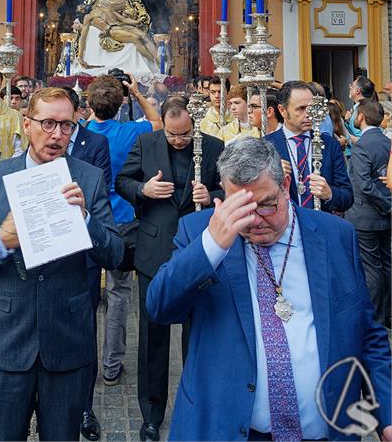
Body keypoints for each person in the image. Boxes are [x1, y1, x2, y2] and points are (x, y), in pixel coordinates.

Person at [146, 137, 392, 442]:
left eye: (266, 204)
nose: (256, 220)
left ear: (286, 185)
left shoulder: (335, 236)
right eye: (243, 208)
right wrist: (212, 246)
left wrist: (387, 415)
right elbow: (160, 307)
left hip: (326, 432)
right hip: (229, 431)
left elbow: (368, 334)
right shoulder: (199, 232)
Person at [0, 88, 124, 442]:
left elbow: (116, 254)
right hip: (7, 341)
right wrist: (1, 239)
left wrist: (87, 221)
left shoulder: (88, 178)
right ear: (26, 125)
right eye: (48, 123)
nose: (57, 134)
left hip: (67, 341)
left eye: (66, 125)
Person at [116, 95, 223, 442]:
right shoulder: (146, 142)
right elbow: (123, 181)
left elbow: (227, 187)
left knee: (199, 334)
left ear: (193, 125)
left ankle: (198, 405)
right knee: (152, 336)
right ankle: (151, 413)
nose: (179, 140)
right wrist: (143, 189)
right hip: (154, 249)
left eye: (185, 135)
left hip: (197, 250)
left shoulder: (213, 145)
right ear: (163, 124)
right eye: (174, 135)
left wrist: (212, 195)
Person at [87, 74, 162, 391]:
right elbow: (157, 122)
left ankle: (84, 361)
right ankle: (111, 365)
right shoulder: (130, 131)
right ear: (120, 104)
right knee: (118, 296)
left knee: (87, 295)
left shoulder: (83, 133)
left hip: (90, 220)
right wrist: (136, 92)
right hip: (125, 221)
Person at [61, 86, 112, 441]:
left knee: (84, 330)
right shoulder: (33, 149)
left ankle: (83, 406)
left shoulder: (95, 144)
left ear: (79, 112)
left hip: (82, 249)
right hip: (42, 251)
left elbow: (101, 192)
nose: (57, 131)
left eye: (65, 120)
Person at [266, 81, 353, 213]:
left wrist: (330, 194)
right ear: (283, 110)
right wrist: (272, 177)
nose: (308, 114)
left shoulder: (329, 144)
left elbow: (347, 196)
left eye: (311, 107)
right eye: (301, 108)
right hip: (283, 227)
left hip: (321, 226)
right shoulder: (266, 146)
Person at [345, 100, 391, 326]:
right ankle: (388, 313)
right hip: (384, 214)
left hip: (367, 214)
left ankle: (376, 318)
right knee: (387, 264)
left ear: (361, 116)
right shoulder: (386, 141)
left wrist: (386, 204)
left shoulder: (364, 145)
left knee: (372, 268)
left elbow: (362, 184)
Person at [347, 75, 377, 145]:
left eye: (352, 86)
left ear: (358, 91)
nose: (350, 87)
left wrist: (347, 139)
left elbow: (365, 139)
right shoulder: (366, 107)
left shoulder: (362, 110)